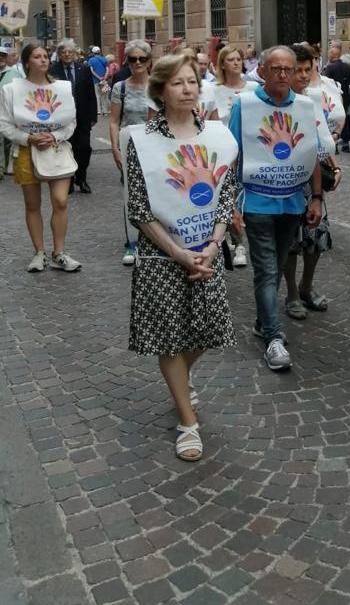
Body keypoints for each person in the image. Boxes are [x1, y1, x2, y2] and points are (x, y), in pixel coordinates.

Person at [125, 53, 238, 462]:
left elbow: (226, 198)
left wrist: (211, 246)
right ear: (160, 90)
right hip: (161, 257)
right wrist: (177, 252)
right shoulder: (142, 140)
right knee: (170, 338)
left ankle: (180, 380)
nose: (188, 89)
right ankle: (187, 423)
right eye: (177, 83)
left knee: (207, 330)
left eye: (192, 81)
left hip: (206, 252)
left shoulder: (219, 137)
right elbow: (138, 208)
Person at [228, 45, 323, 372]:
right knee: (267, 269)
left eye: (288, 69)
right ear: (264, 72)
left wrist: (317, 197)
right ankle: (273, 336)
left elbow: (312, 154)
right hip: (255, 202)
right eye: (276, 68)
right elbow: (231, 152)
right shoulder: (245, 104)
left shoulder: (306, 106)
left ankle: (262, 320)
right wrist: (231, 204)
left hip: (293, 202)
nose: (283, 74)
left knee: (279, 263)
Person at [0, 42, 80, 273]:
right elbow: (5, 124)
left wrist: (53, 136)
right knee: (32, 204)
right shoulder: (12, 90)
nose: (43, 60)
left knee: (61, 201)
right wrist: (28, 138)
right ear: (27, 62)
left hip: (56, 149)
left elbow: (71, 122)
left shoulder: (62, 88)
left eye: (45, 56)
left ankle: (60, 252)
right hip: (26, 151)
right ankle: (39, 252)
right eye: (37, 56)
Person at [283, 44, 340, 320]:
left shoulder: (314, 99)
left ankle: (307, 284)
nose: (304, 75)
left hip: (314, 180)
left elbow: (322, 137)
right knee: (291, 241)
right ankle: (292, 291)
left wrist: (335, 164)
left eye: (309, 69)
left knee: (315, 236)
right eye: (298, 70)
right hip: (287, 181)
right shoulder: (280, 102)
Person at [213, 44, 256, 268]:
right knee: (228, 197)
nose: (236, 63)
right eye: (230, 60)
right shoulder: (214, 90)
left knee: (247, 196)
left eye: (238, 59)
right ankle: (239, 244)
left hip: (251, 151)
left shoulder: (254, 87)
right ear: (222, 64)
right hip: (224, 152)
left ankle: (244, 238)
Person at [110, 40, 153, 266]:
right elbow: (114, 121)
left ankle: (153, 239)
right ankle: (131, 242)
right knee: (131, 196)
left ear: (149, 60)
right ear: (127, 61)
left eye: (142, 59)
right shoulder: (121, 88)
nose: (137, 63)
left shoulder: (159, 86)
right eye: (133, 59)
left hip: (154, 149)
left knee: (155, 196)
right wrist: (115, 148)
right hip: (129, 149)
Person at [50, 38, 98, 194]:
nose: (67, 54)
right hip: (62, 119)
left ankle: (81, 178)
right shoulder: (52, 70)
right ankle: (69, 181)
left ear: (75, 54)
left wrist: (93, 116)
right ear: (59, 54)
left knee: (84, 149)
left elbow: (91, 94)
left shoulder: (83, 69)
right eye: (63, 52)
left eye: (70, 51)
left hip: (82, 117)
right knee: (66, 150)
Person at [324, 45, 350, 152]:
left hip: (332, 98)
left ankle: (334, 144)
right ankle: (345, 144)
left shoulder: (330, 67)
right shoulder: (347, 67)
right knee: (345, 119)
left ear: (332, 55)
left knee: (333, 119)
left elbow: (325, 82)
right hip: (346, 97)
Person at [0, 46, 18, 177]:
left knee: (8, 140)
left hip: (9, 111)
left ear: (6, 58)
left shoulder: (14, 72)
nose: (0, 58)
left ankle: (7, 165)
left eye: (3, 56)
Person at [88, 45, 110, 116]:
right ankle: (105, 111)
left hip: (95, 80)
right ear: (99, 52)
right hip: (104, 80)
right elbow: (107, 69)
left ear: (93, 52)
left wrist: (99, 78)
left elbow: (92, 71)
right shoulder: (104, 59)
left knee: (97, 96)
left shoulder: (91, 60)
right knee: (104, 96)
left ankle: (98, 111)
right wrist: (104, 78)